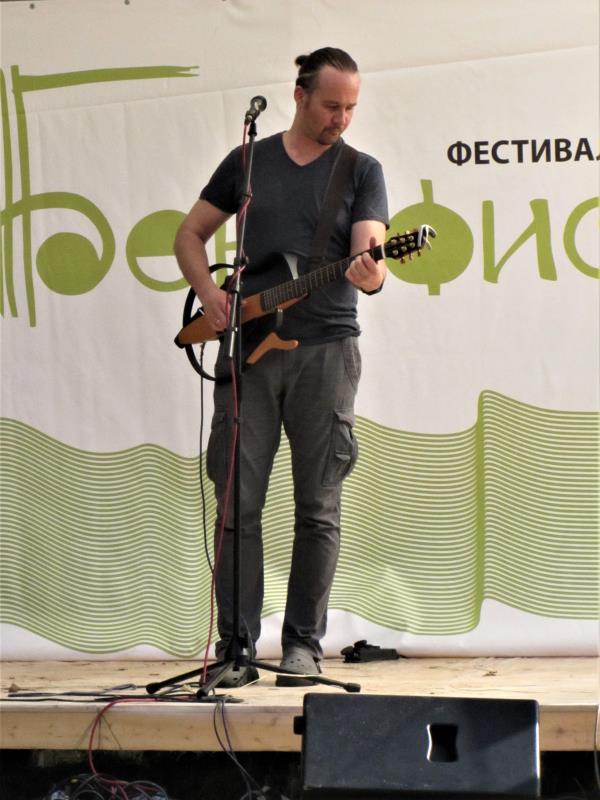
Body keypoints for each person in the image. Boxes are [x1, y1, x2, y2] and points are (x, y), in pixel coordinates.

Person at [174, 47, 389, 686]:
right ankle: (236, 649)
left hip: (327, 352)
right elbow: (189, 235)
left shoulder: (361, 171)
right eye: (331, 105)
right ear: (299, 96)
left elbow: (371, 255)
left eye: (351, 108)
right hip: (249, 352)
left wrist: (371, 272)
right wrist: (211, 296)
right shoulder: (249, 163)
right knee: (236, 505)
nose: (341, 119)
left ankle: (302, 646)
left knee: (318, 506)